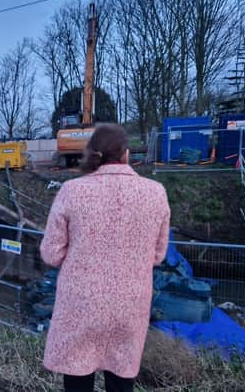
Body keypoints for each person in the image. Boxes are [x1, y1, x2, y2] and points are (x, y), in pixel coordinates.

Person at [40, 124, 170, 392]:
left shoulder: (72, 191)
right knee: (121, 377)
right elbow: (158, 255)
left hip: (81, 303)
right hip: (130, 303)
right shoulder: (156, 192)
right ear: (126, 154)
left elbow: (51, 254)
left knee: (77, 376)